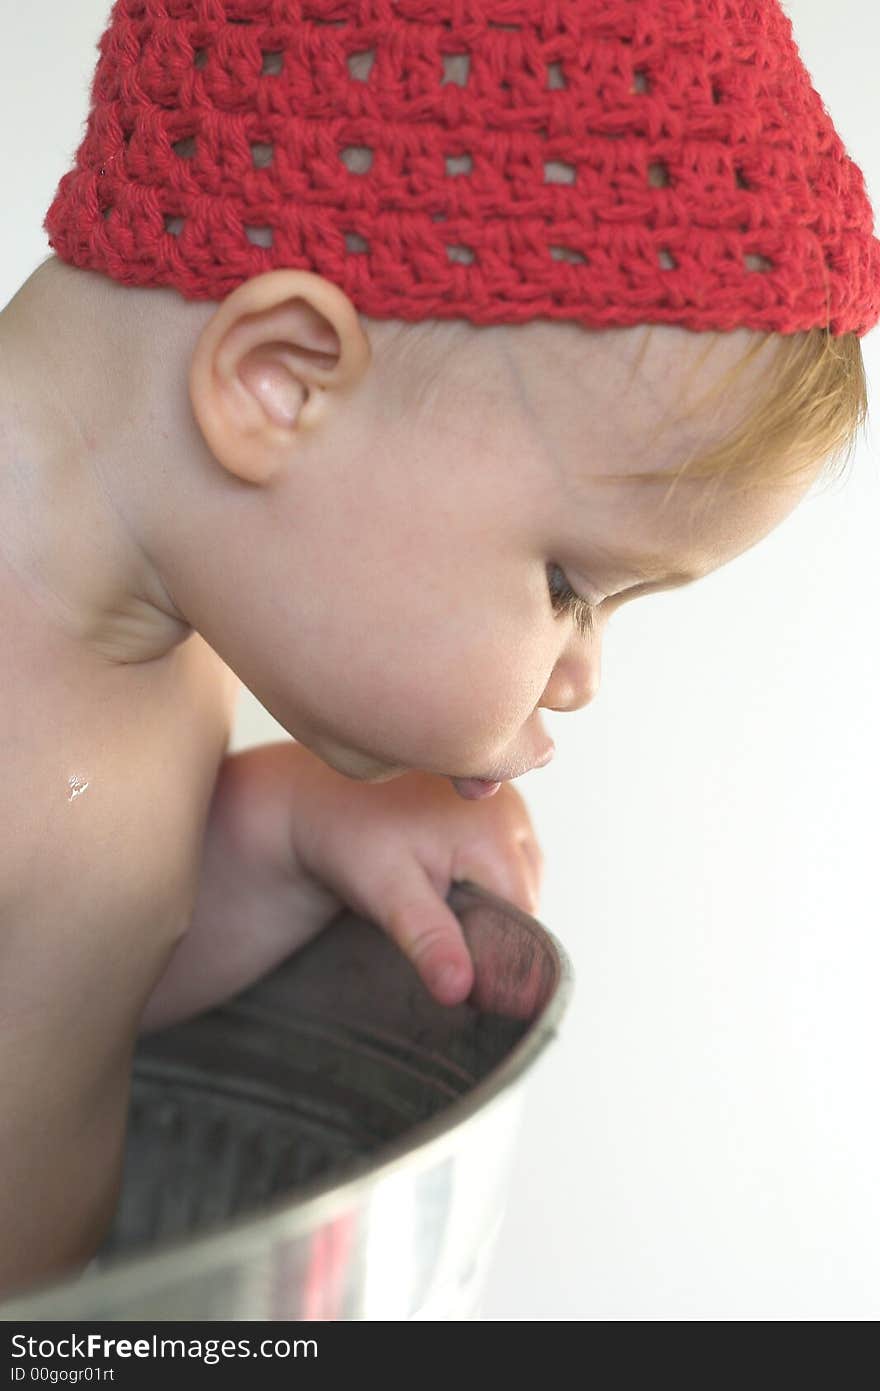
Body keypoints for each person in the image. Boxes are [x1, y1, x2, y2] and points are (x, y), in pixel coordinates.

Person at [0, 0, 875, 1301]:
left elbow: (52, 1005)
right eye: (570, 584)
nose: (579, 675)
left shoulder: (154, 645)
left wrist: (269, 843)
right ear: (279, 383)